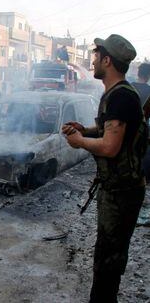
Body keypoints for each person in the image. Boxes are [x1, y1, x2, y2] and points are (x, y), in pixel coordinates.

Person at [62, 34, 147, 302]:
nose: (93, 60)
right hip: (118, 190)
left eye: (96, 55)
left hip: (122, 193)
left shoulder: (121, 97)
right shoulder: (117, 94)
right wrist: (84, 129)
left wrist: (80, 142)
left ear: (107, 60)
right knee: (107, 257)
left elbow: (110, 147)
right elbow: (111, 129)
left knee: (108, 263)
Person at [131, 63, 150, 181]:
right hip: (143, 132)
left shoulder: (128, 88)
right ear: (148, 75)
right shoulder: (149, 91)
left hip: (125, 131)